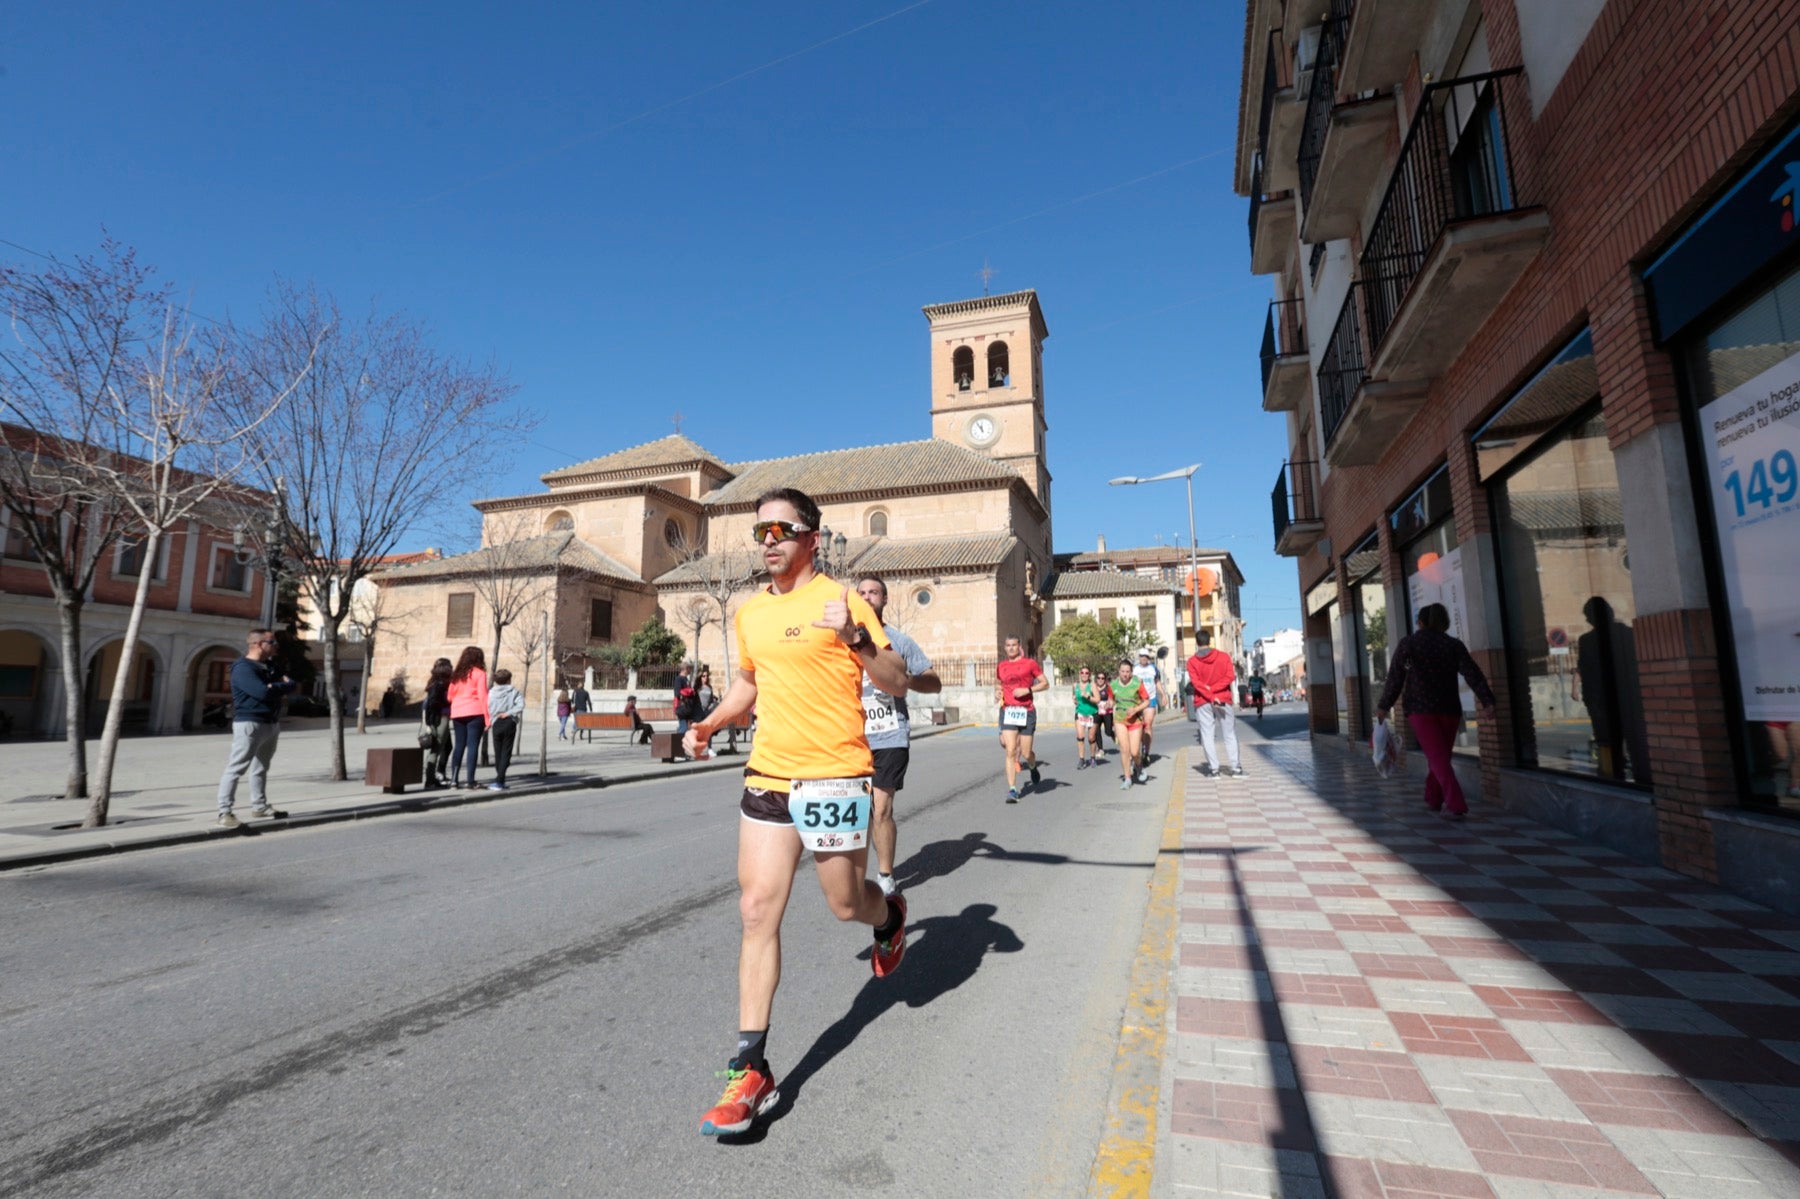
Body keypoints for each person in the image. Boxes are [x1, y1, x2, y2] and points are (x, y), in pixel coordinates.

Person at [684, 487, 912, 1137]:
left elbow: (895, 676)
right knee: (757, 909)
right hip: (768, 775)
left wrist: (854, 638)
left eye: (783, 528)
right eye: (760, 532)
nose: (770, 539)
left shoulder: (844, 601)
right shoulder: (751, 613)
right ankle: (750, 1067)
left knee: (846, 903)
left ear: (812, 535)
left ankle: (888, 913)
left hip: (836, 775)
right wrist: (709, 722)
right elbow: (749, 684)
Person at [855, 574, 942, 899]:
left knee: (881, 810)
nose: (866, 597)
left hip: (890, 735)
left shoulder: (899, 642)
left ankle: (886, 875)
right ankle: (854, 875)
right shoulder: (838, 643)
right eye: (861, 592)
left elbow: (933, 682)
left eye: (873, 592)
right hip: (851, 738)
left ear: (885, 599)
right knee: (856, 812)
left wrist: (905, 680)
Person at [1375, 602, 1497, 820]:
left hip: (1421, 710)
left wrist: (1384, 705)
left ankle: (1455, 803)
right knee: (1440, 757)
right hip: (1449, 708)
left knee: (1438, 758)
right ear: (1443, 622)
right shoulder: (1453, 645)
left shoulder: (1409, 644)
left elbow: (1395, 678)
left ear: (1420, 622)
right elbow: (1473, 674)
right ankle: (1433, 797)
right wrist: (1487, 700)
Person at [215, 627, 296, 829]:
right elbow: (261, 693)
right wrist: (277, 687)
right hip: (249, 724)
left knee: (261, 768)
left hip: (270, 723)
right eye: (272, 642)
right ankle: (224, 812)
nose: (276, 646)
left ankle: (259, 806)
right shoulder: (243, 668)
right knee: (236, 768)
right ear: (258, 644)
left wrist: (276, 687)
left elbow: (291, 683)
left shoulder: (269, 666)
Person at [995, 635, 1047, 802]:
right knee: (1010, 750)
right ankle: (1012, 790)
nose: (1011, 648)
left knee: (1025, 752)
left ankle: (1032, 766)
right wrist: (997, 692)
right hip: (1008, 710)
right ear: (1005, 647)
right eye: (1008, 645)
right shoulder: (1001, 666)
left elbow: (1045, 683)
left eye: (1014, 645)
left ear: (1019, 647)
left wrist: (1028, 690)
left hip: (1026, 711)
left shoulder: (1030, 664)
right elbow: (998, 682)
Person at [1188, 631, 1244, 778]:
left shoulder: (1192, 662)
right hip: (1223, 699)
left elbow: (1197, 684)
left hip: (1203, 701)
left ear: (1196, 642)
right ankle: (1236, 768)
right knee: (1229, 734)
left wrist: (1210, 692)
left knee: (1207, 735)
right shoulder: (1224, 657)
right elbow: (1230, 676)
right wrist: (1215, 693)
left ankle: (1214, 770)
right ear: (1210, 640)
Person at [446, 646, 491, 788]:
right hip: (475, 711)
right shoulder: (480, 673)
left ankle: (454, 779)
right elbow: (483, 696)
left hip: (457, 712)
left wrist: (459, 702)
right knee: (472, 746)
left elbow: (449, 696)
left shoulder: (456, 675)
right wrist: (487, 717)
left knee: (459, 745)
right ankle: (470, 780)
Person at [1109, 659, 1151, 790]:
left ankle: (1138, 766)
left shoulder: (1137, 683)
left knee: (1134, 751)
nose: (1125, 674)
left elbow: (1146, 701)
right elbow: (1112, 700)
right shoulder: (1113, 684)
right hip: (1120, 720)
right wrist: (1109, 704)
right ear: (1119, 671)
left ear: (1131, 672)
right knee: (1124, 749)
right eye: (1122, 671)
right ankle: (1127, 778)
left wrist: (1135, 710)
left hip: (1135, 720)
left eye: (1127, 671)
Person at [487, 669, 525, 790]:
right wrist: (508, 713)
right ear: (509, 680)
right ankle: (500, 779)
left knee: (498, 752)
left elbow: (488, 706)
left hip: (496, 722)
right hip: (509, 722)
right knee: (506, 752)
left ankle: (499, 777)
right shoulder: (513, 691)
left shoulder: (491, 692)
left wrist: (493, 717)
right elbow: (521, 705)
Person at [1133, 648, 1165, 775]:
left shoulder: (1153, 668)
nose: (1144, 658)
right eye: (1141, 656)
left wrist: (1163, 694)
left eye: (1146, 656)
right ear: (1139, 657)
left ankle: (1146, 752)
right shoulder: (1134, 669)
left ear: (1148, 657)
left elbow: (1157, 682)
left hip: (1150, 699)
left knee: (1148, 724)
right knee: (1138, 727)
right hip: (1138, 701)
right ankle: (1139, 748)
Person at [422, 657, 453, 788]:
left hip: (436, 720)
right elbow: (432, 705)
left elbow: (426, 705)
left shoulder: (433, 684)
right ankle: (430, 780)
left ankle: (432, 777)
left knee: (439, 748)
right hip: (441, 719)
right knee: (436, 749)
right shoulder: (441, 686)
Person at [1073, 665, 1101, 769]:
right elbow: (1075, 699)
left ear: (1089, 675)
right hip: (1080, 713)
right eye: (1082, 672)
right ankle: (1081, 759)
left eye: (1086, 673)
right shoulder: (1075, 685)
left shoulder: (1092, 685)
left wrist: (1088, 696)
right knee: (1080, 736)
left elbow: (1097, 699)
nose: (1084, 674)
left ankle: (1093, 757)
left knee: (1091, 737)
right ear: (1079, 674)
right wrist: (1075, 700)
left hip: (1092, 713)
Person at [1093, 673, 1113, 763]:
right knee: (1096, 730)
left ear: (1105, 679)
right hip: (1096, 712)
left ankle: (1112, 734)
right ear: (1096, 679)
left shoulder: (1108, 688)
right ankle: (1100, 749)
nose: (1100, 679)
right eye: (1098, 678)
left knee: (1107, 732)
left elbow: (1112, 699)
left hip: (1106, 712)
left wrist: (1109, 704)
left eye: (1102, 678)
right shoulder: (1093, 688)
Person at [673, 663, 695, 738]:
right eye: (689, 669)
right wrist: (688, 692)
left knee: (685, 727)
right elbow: (677, 693)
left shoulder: (686, 679)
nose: (690, 670)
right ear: (685, 669)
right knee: (684, 728)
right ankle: (675, 744)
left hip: (687, 707)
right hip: (682, 707)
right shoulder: (679, 679)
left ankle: (678, 744)